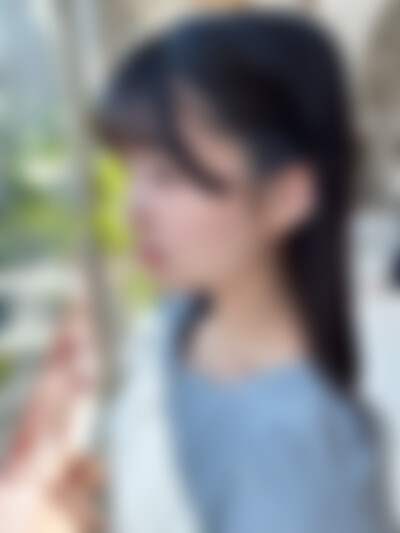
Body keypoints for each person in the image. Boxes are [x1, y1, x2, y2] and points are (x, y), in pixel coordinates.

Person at [98, 11, 394, 533]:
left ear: (287, 196)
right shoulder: (184, 316)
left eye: (167, 175)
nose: (133, 209)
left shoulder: (303, 454)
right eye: (133, 172)